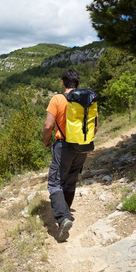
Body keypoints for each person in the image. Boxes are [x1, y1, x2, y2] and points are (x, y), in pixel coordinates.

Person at [42, 69, 99, 241]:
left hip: (63, 146)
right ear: (77, 84)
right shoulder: (87, 99)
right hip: (83, 146)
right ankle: (65, 213)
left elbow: (48, 126)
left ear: (63, 82)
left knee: (54, 183)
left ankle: (63, 218)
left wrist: (46, 141)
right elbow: (95, 126)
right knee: (71, 181)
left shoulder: (58, 99)